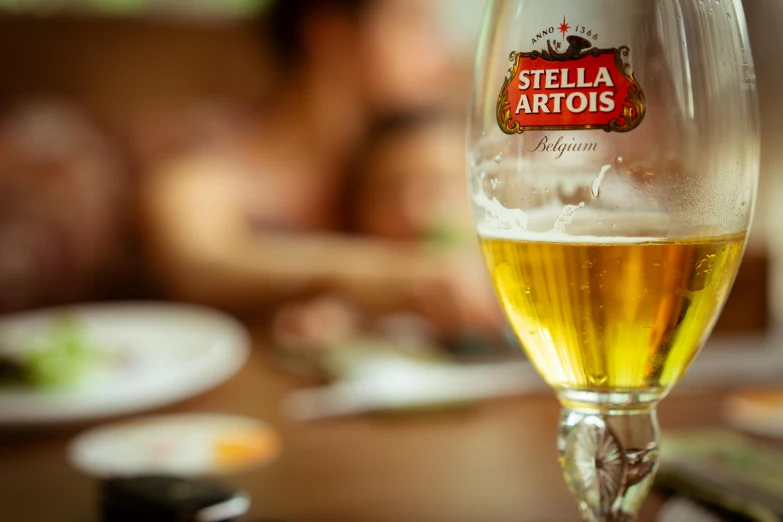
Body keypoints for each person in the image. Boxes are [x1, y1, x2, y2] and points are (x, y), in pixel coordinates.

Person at [141, 0, 499, 336]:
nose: (440, 56)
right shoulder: (209, 171)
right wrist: (392, 278)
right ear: (331, 36)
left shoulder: (403, 158)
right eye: (412, 25)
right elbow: (202, 261)